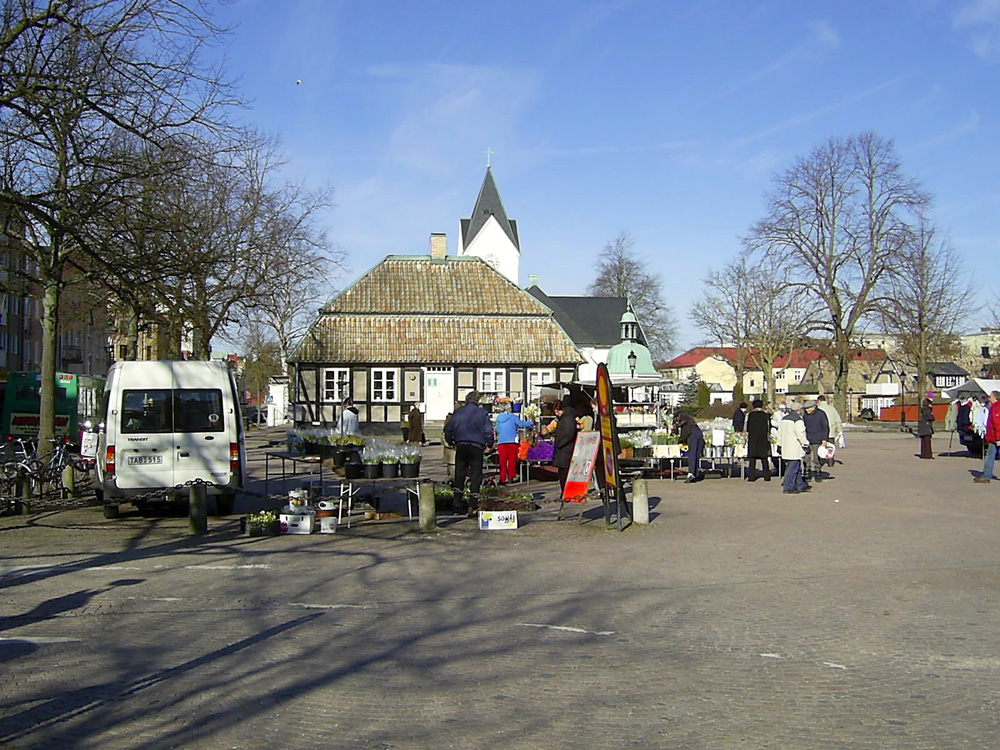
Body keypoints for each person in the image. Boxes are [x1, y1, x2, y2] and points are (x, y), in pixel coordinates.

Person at [444, 391, 495, 512]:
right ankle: (473, 505)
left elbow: (448, 429)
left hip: (461, 446)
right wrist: (489, 444)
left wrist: (450, 442)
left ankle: (457, 503)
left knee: (459, 476)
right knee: (475, 477)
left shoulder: (458, 413)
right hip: (476, 447)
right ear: (478, 401)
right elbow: (488, 431)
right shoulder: (483, 413)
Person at [495, 402, 533, 484]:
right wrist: (531, 422)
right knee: (511, 460)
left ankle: (502, 478)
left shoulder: (498, 418)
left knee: (502, 461)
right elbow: (521, 424)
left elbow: (497, 430)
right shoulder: (513, 417)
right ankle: (510, 477)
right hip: (512, 441)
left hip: (501, 441)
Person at [778, 400, 811, 494]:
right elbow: (801, 434)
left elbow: (779, 434)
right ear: (799, 410)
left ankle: (801, 485)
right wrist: (805, 444)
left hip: (785, 447)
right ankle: (788, 487)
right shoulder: (798, 420)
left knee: (796, 467)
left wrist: (779, 445)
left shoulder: (784, 419)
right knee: (792, 468)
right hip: (794, 447)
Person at [552, 397, 579, 493]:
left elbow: (569, 434)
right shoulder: (564, 417)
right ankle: (565, 491)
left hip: (565, 449)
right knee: (562, 472)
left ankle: (566, 492)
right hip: (563, 449)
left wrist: (560, 443)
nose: (556, 413)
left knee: (564, 472)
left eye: (557, 411)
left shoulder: (567, 418)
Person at [974, 390, 1000, 483]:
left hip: (996, 437)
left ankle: (986, 476)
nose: (989, 398)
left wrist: (998, 438)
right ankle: (986, 475)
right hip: (993, 437)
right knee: (990, 456)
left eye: (990, 396)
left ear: (995, 397)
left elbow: (997, 424)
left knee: (990, 457)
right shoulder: (994, 407)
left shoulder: (997, 407)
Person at [802, 399, 830, 482]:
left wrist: (824, 439)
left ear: (813, 407)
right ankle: (807, 472)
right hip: (807, 438)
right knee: (806, 457)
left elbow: (825, 427)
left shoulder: (821, 414)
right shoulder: (805, 415)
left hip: (818, 439)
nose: (807, 410)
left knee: (816, 458)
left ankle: (818, 472)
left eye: (808, 408)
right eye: (805, 409)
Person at [745, 399, 771, 481]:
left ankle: (751, 477)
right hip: (763, 438)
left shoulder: (750, 415)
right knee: (764, 458)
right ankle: (767, 476)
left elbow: (747, 427)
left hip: (753, 438)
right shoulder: (765, 415)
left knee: (752, 459)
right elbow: (768, 427)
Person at [678, 413, 704, 483]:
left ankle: (691, 473)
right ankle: (695, 474)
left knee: (692, 454)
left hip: (693, 437)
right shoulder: (693, 423)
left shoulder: (686, 425)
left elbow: (684, 435)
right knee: (696, 455)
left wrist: (680, 441)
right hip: (700, 435)